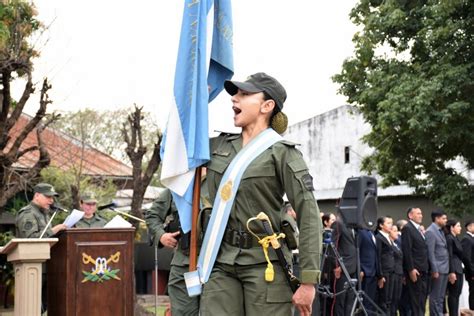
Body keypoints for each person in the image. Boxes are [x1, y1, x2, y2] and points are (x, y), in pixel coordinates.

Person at [199, 72, 322, 316]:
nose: (235, 99)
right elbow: (176, 151)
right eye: (235, 94)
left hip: (265, 264)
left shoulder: (283, 153)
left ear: (267, 106)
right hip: (220, 262)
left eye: (244, 94)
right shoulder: (217, 146)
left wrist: (308, 280)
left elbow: (309, 214)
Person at [145, 188, 201, 315]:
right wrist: (161, 235)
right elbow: (152, 215)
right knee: (182, 311)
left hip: (218, 262)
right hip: (184, 262)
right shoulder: (179, 185)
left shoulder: (223, 181)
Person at [401, 207, 429, 316]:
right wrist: (411, 269)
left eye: (421, 213)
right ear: (410, 215)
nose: (421, 215)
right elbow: (407, 250)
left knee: (422, 299)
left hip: (423, 269)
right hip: (415, 270)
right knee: (416, 301)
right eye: (418, 213)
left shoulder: (418, 229)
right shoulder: (408, 228)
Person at [330, 214, 357, 316]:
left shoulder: (354, 226)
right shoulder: (338, 224)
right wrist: (336, 265)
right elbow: (333, 246)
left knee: (350, 301)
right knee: (340, 300)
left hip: (353, 268)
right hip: (342, 267)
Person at [425, 209, 449, 316]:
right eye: (443, 218)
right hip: (438, 269)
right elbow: (431, 253)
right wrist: (434, 270)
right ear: (437, 218)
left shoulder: (440, 231)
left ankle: (439, 313)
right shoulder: (431, 231)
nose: (445, 221)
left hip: (444, 268)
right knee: (435, 296)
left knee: (441, 296)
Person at [375, 216, 395, 314]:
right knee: (384, 299)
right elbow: (378, 256)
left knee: (389, 299)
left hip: (391, 271)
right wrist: (380, 275)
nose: (390, 225)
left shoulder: (388, 237)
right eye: (388, 223)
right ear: (381, 225)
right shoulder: (379, 237)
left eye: (391, 223)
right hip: (384, 272)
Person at [445, 219, 464, 316]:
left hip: (459, 268)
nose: (460, 228)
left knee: (457, 294)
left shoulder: (456, 238)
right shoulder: (449, 238)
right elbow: (449, 255)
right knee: (453, 294)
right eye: (458, 226)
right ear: (452, 227)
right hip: (454, 269)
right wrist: (451, 272)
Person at [358, 227, 378, 313]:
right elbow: (358, 251)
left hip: (374, 271)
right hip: (365, 271)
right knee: (364, 301)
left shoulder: (372, 233)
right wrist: (360, 269)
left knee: (371, 300)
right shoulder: (361, 232)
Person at [390, 224, 403, 316]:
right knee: (392, 298)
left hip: (399, 273)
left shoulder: (397, 244)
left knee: (397, 298)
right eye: (394, 231)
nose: (397, 233)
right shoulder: (389, 244)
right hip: (393, 273)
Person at [461, 219, 474, 310]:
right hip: (472, 272)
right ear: (469, 227)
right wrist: (472, 272)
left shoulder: (471, 238)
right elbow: (467, 258)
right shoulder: (466, 239)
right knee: (473, 292)